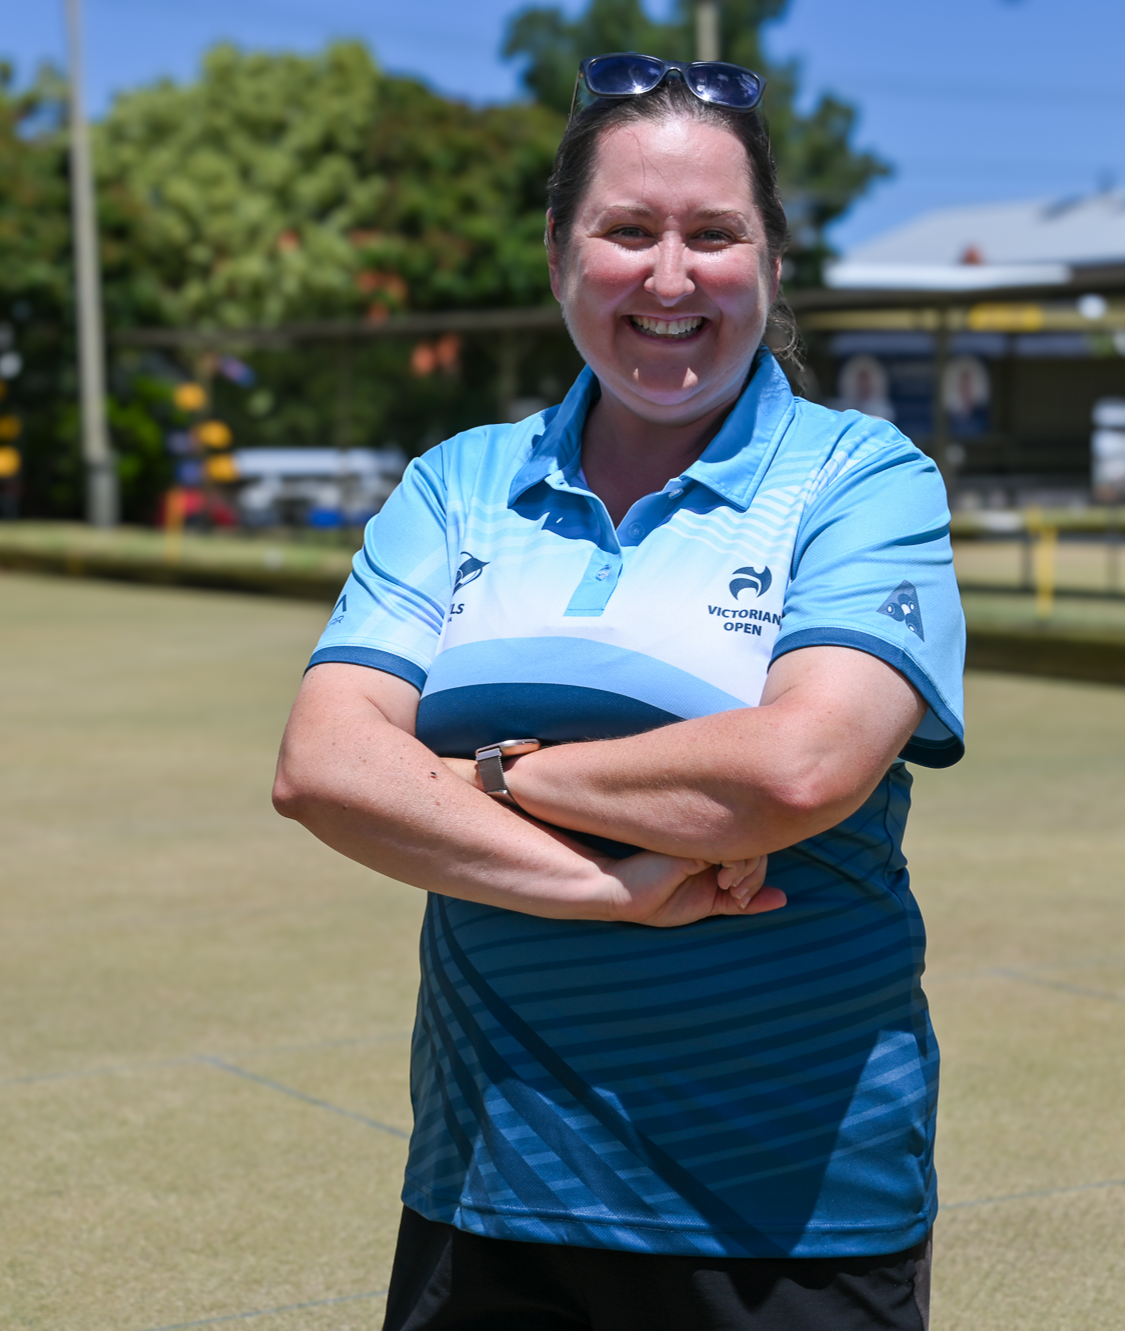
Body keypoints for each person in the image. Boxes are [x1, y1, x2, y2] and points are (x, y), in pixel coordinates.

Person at [273, 52, 965, 1331]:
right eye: (626, 230)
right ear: (556, 254)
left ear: (768, 262)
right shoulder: (457, 482)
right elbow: (322, 765)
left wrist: (505, 773)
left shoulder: (862, 477)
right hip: (491, 1181)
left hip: (788, 1201)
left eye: (714, 234)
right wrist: (617, 885)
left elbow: (797, 769)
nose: (667, 276)